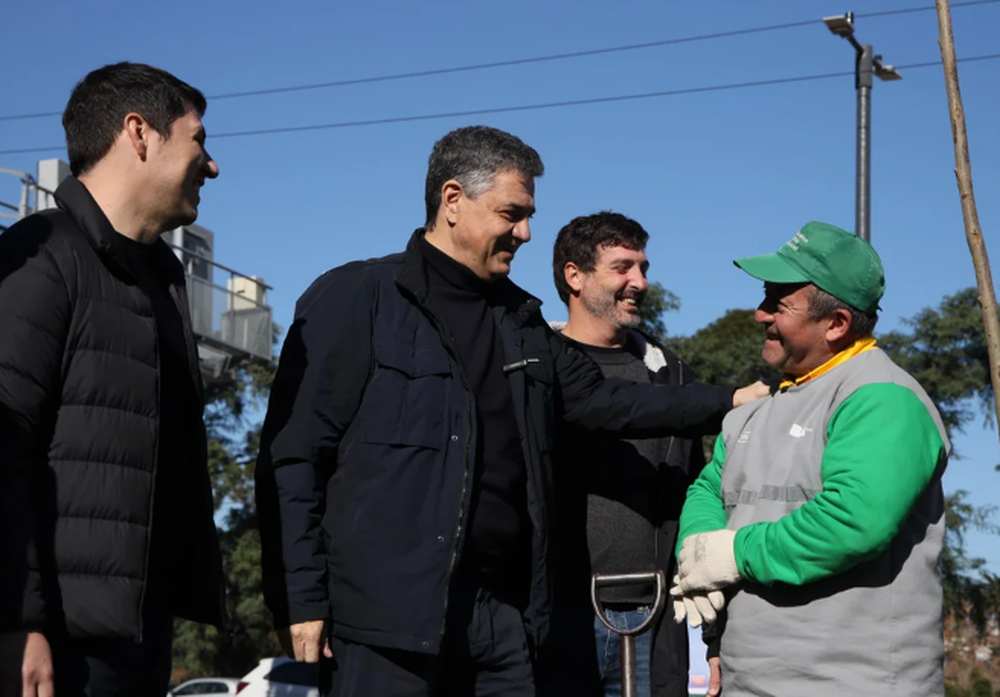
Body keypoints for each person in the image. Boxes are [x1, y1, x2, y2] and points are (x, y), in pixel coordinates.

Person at [255, 125, 768, 697]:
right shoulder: (358, 298)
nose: (525, 233)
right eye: (512, 213)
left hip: (504, 620)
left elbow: (610, 399)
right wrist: (298, 596)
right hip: (386, 621)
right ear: (453, 200)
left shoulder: (521, 322)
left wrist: (732, 399)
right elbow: (294, 456)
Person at [0, 62, 226, 696]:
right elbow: (4, 451)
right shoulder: (41, 260)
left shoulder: (161, 280)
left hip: (138, 636)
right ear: (140, 133)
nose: (211, 165)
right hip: (57, 646)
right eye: (198, 139)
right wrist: (17, 623)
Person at [672, 222, 950, 697]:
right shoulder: (754, 412)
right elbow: (708, 488)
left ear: (837, 323)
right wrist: (698, 548)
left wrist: (733, 554)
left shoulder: (882, 399)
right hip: (748, 681)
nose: (759, 314)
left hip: (854, 683)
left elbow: (851, 521)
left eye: (777, 304)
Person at [546, 211, 720, 697]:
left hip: (654, 622)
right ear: (574, 276)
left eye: (643, 268)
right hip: (556, 620)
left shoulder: (671, 376)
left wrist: (714, 640)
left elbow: (701, 506)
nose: (639, 282)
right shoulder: (532, 372)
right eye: (622, 267)